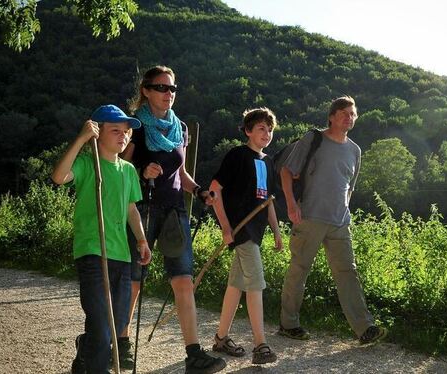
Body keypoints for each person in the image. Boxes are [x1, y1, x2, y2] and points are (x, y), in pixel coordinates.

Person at [119, 65, 226, 374]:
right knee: (134, 281)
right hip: (142, 209)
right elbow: (120, 168)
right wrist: (141, 172)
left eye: (172, 89)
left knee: (183, 281)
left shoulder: (180, 128)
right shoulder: (135, 126)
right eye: (162, 88)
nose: (168, 94)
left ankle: (194, 355)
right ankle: (122, 343)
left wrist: (200, 191)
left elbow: (181, 174)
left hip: (175, 210)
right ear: (146, 91)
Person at [278, 96, 388, 344]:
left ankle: (364, 328)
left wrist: (345, 211)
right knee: (299, 270)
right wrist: (291, 204)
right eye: (344, 113)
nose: (349, 117)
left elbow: (350, 188)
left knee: (347, 272)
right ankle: (288, 324)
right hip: (309, 217)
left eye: (353, 113)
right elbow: (286, 170)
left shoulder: (355, 150)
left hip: (340, 221)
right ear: (331, 116)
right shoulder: (314, 139)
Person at [51, 104, 152, 374]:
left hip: (121, 253)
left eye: (127, 131)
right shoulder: (87, 164)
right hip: (93, 251)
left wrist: (141, 240)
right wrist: (81, 139)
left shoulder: (128, 170)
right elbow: (59, 177)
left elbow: (131, 209)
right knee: (100, 321)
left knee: (116, 323)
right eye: (115, 130)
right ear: (98, 132)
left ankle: (85, 351)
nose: (123, 136)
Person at [209, 108, 283, 365]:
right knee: (255, 283)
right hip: (241, 232)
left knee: (237, 284)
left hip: (257, 231)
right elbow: (214, 189)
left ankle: (221, 338)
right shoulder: (238, 155)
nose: (267, 133)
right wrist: (226, 228)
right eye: (261, 128)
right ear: (248, 131)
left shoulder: (268, 162)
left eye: (270, 129)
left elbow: (269, 202)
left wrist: (276, 231)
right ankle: (261, 345)